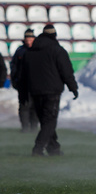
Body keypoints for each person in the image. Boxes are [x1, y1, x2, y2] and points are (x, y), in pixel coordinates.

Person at [19, 24, 79, 156]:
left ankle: (53, 148)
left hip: (34, 91)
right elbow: (66, 71)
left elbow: (22, 76)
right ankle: (38, 148)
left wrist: (22, 94)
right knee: (50, 121)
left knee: (45, 121)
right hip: (52, 91)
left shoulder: (29, 52)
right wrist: (73, 87)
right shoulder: (58, 50)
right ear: (54, 35)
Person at [10, 29, 40, 132]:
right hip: (23, 84)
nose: (28, 41)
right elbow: (14, 66)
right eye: (27, 39)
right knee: (24, 106)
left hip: (36, 84)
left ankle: (34, 127)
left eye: (30, 39)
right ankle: (25, 128)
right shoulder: (20, 51)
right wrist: (14, 80)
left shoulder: (38, 50)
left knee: (35, 107)